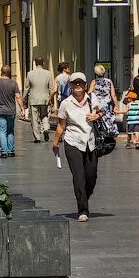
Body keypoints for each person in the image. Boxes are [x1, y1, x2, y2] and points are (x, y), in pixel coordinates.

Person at [52, 72, 102, 222]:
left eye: (80, 83)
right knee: (79, 176)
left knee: (91, 177)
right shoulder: (65, 103)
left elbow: (101, 112)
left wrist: (97, 116)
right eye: (75, 83)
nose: (78, 86)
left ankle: (84, 197)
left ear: (85, 85)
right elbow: (61, 125)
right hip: (72, 142)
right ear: (71, 86)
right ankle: (83, 210)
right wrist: (55, 142)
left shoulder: (92, 99)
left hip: (90, 142)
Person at [0, 65, 23, 158]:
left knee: (2, 131)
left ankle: (4, 152)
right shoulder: (13, 83)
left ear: (1, 72)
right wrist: (22, 108)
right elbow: (18, 97)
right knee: (10, 131)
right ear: (9, 73)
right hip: (11, 111)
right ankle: (11, 151)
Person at [26, 57, 54, 143]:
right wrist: (51, 99)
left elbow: (27, 87)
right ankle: (45, 128)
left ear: (35, 63)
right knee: (44, 115)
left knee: (34, 119)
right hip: (44, 98)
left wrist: (24, 98)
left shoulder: (30, 74)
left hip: (34, 99)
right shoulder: (48, 73)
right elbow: (51, 88)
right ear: (43, 63)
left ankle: (37, 137)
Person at [87, 64, 119, 131]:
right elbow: (113, 95)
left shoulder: (94, 82)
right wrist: (116, 106)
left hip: (98, 104)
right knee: (108, 118)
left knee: (99, 118)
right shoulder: (109, 81)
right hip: (107, 104)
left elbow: (89, 93)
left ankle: (100, 132)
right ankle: (109, 132)